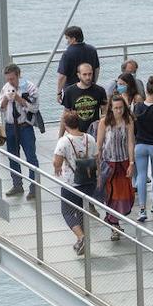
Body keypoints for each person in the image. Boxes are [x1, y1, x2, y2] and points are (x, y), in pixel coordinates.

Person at [53, 109, 99, 254]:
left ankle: (81, 237)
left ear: (66, 125)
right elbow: (97, 158)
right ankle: (81, 242)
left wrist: (57, 168)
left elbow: (57, 162)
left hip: (71, 183)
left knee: (66, 211)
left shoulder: (64, 141)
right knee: (80, 211)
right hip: (88, 181)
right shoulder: (89, 138)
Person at [0, 63, 40, 199]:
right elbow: (0, 107)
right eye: (8, 79)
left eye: (12, 79)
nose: (10, 82)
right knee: (13, 157)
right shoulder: (6, 88)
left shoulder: (30, 87)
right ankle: (17, 185)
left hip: (25, 126)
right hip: (10, 126)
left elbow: (34, 108)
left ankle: (34, 188)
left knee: (31, 157)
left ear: (18, 75)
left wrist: (18, 99)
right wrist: (6, 98)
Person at [98, 94, 135, 238]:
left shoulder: (128, 121)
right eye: (116, 108)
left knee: (126, 194)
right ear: (111, 109)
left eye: (121, 108)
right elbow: (99, 145)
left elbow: (130, 142)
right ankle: (114, 224)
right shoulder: (104, 122)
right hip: (109, 163)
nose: (119, 111)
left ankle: (114, 220)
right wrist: (98, 165)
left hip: (124, 161)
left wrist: (131, 163)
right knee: (111, 194)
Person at [132, 76, 153, 221]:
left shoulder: (137, 107)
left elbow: (134, 127)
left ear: (146, 91)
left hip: (140, 145)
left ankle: (141, 209)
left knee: (141, 175)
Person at [60, 63, 108, 135]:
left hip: (94, 132)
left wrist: (103, 132)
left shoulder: (100, 91)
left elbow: (105, 112)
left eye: (90, 74)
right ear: (78, 75)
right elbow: (65, 114)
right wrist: (60, 136)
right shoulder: (70, 91)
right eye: (84, 74)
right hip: (76, 132)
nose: (88, 77)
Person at [55, 26, 100, 102]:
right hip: (89, 87)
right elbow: (97, 69)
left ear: (73, 39)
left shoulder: (67, 54)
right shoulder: (92, 50)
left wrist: (59, 93)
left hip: (72, 91)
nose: (67, 41)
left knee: (71, 112)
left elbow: (62, 76)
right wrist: (93, 82)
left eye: (67, 38)